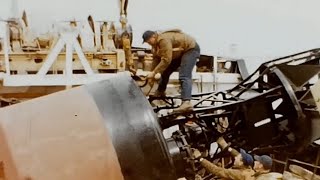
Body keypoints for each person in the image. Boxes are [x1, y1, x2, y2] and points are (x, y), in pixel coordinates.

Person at [142, 29, 200, 113]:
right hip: (181, 52)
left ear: (153, 36)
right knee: (165, 71)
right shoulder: (155, 46)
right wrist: (152, 75)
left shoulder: (163, 40)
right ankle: (160, 91)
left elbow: (166, 60)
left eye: (148, 41)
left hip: (190, 49)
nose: (148, 43)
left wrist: (154, 72)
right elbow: (156, 60)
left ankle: (186, 102)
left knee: (184, 75)